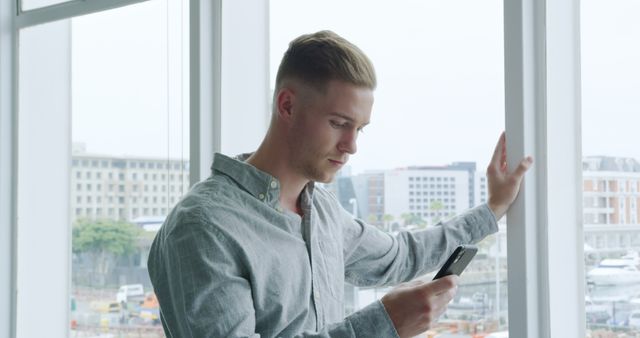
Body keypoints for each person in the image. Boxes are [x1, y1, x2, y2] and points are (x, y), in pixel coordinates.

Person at [147, 30, 532, 338]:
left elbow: (399, 257)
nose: (351, 146)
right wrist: (384, 325)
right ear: (287, 105)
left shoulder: (322, 210)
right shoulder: (202, 228)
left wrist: (492, 209)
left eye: (359, 128)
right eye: (338, 124)